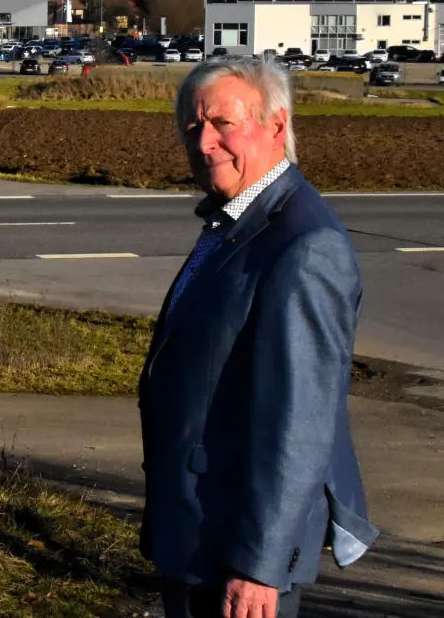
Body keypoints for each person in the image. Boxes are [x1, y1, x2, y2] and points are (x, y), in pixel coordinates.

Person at [140, 57, 378, 618]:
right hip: (198, 533)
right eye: (193, 127)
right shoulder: (237, 221)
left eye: (224, 123)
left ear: (276, 126)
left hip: (237, 559)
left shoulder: (304, 246)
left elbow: (301, 424)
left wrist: (259, 567)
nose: (205, 143)